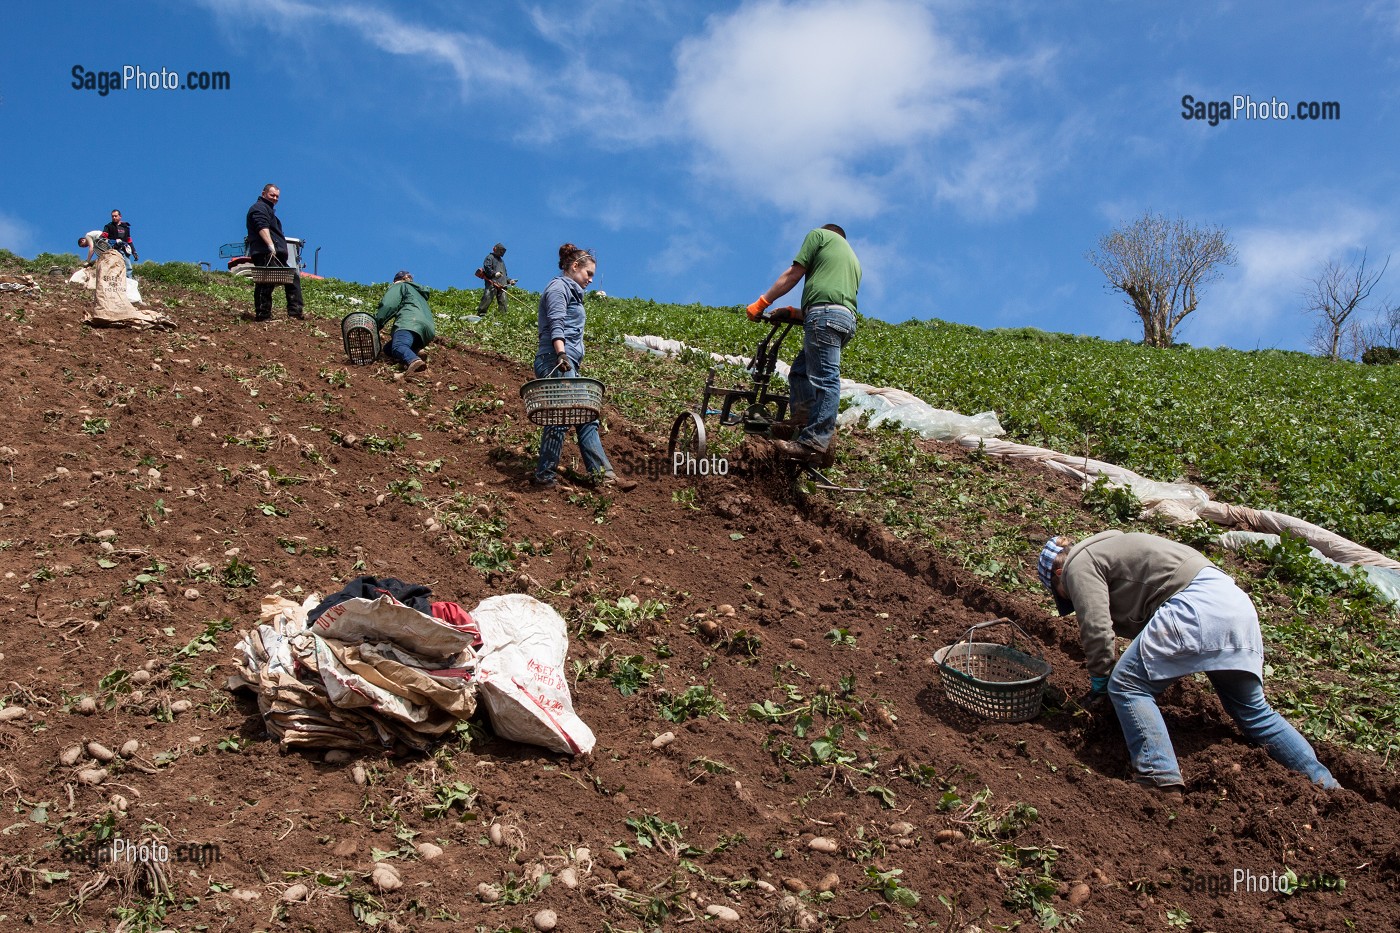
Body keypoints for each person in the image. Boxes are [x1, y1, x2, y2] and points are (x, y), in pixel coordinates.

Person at [1038, 531, 1339, 791]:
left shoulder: (1078, 565)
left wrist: (1101, 683)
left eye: (1065, 596)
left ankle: (1158, 776)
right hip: (1233, 603)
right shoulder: (1111, 547)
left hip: (1195, 605)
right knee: (1254, 712)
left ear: (1057, 574)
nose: (1072, 601)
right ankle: (1323, 782)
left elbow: (1097, 628)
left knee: (1127, 685)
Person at [746, 224, 861, 465]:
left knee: (825, 380)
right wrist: (791, 312)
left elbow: (794, 274)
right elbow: (832, 300)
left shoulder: (820, 235)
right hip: (843, 320)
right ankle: (802, 419)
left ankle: (813, 442)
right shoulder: (853, 261)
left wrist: (763, 302)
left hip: (824, 316)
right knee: (800, 372)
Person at [532, 244, 634, 491]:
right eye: (588, 273)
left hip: (566, 361)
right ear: (574, 266)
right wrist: (562, 354)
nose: (590, 279)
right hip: (555, 360)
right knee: (560, 414)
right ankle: (544, 475)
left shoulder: (573, 293)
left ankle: (604, 476)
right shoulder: (559, 288)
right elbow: (557, 324)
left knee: (586, 415)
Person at [244, 183, 304, 321]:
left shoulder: (268, 210)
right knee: (266, 282)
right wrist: (270, 245)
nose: (275, 198)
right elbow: (261, 227)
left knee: (292, 278)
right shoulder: (259, 208)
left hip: (276, 254)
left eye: (277, 196)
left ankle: (295, 313)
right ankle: (263, 315)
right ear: (263, 193)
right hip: (266, 252)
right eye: (272, 195)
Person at [373, 271, 435, 379]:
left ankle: (413, 360)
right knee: (388, 349)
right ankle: (416, 351)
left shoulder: (400, 285)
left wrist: (376, 324)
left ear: (397, 280)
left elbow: (388, 305)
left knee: (398, 347)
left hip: (409, 322)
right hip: (427, 330)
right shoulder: (418, 293)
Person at [476, 242, 516, 316]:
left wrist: (509, 281)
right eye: (500, 250)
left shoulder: (502, 262)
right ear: (495, 249)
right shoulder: (490, 257)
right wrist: (494, 274)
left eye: (503, 251)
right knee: (488, 296)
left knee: (503, 300)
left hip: (502, 284)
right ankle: (481, 313)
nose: (501, 252)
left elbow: (504, 275)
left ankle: (503, 316)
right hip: (492, 281)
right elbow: (487, 267)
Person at [102, 209, 137, 278]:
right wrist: (112, 242)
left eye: (115, 216)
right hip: (113, 250)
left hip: (124, 249)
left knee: (128, 267)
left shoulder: (126, 228)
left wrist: (134, 252)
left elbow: (129, 240)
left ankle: (129, 281)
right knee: (113, 266)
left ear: (120, 216)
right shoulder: (109, 226)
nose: (114, 218)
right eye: (112, 216)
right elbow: (103, 238)